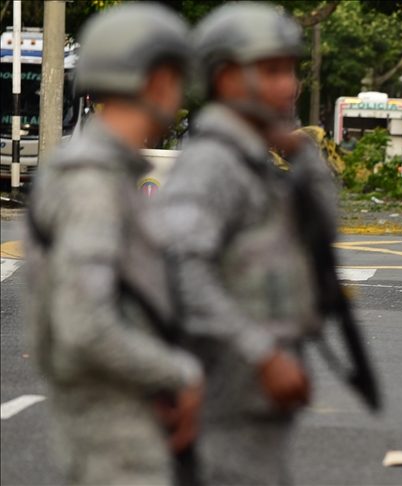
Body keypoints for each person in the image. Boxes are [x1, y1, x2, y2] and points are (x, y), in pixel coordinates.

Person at [25, 4, 204, 485]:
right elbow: (85, 327)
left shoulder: (100, 173)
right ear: (157, 82)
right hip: (117, 430)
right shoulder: (93, 184)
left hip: (124, 414)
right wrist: (178, 372)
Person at [151, 4, 325, 484]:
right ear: (226, 78)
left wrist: (302, 156)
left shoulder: (252, 158)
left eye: (290, 70)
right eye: (271, 72)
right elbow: (184, 270)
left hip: (252, 400)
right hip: (221, 397)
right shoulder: (212, 164)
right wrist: (262, 355)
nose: (289, 86)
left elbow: (320, 235)